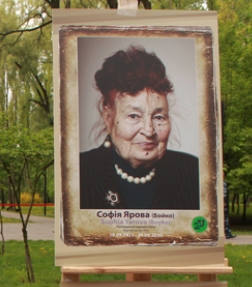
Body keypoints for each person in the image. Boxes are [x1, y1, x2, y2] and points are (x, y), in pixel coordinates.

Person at [79, 45, 199, 210]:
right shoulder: (79, 172)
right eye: (134, 116)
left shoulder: (193, 172)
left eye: (159, 117)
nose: (149, 131)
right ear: (108, 116)